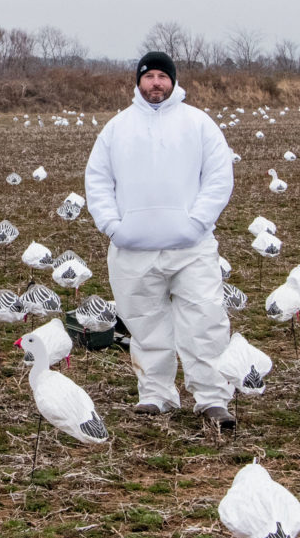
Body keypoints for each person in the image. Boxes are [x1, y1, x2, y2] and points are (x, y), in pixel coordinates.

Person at [83, 51, 239, 431]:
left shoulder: (198, 124)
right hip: (133, 249)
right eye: (148, 76)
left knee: (205, 319)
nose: (156, 83)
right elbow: (98, 180)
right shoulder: (117, 128)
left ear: (173, 81)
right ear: (138, 82)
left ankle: (212, 398)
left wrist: (197, 223)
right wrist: (113, 227)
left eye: (162, 77)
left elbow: (219, 177)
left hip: (190, 247)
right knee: (144, 323)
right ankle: (156, 394)